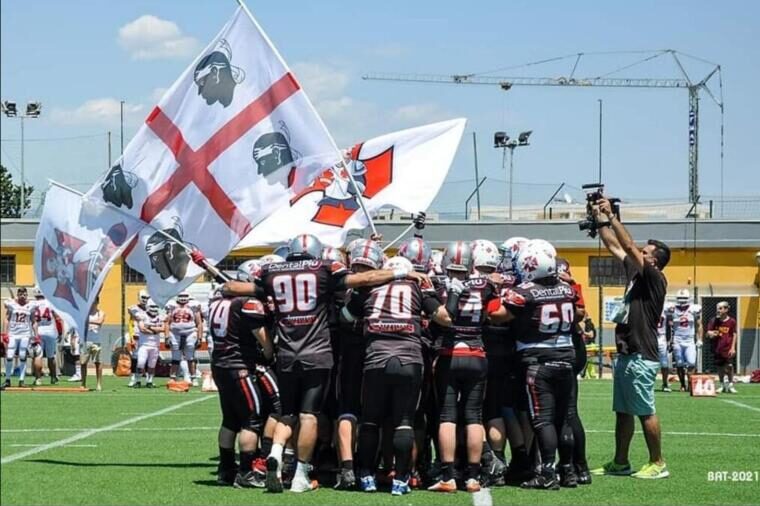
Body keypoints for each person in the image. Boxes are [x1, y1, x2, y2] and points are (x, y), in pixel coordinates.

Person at [210, 233, 430, 494]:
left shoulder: (273, 272)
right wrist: (401, 273)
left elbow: (232, 288)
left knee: (287, 414)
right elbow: (365, 279)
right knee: (310, 415)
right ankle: (301, 475)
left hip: (286, 353)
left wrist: (233, 286)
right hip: (318, 352)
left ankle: (277, 454)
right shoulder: (323, 270)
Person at [344, 254, 451, 496]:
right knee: (404, 421)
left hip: (376, 358)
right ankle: (401, 480)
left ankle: (367, 475)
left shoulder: (371, 288)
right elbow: (444, 317)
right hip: (409, 358)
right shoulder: (417, 287)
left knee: (370, 421)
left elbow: (346, 316)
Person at [590, 196, 671, 480]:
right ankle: (620, 462)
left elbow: (627, 245)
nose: (640, 252)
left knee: (645, 411)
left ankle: (658, 463)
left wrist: (613, 216)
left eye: (645, 252)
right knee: (623, 412)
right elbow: (614, 245)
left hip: (641, 354)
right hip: (627, 353)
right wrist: (599, 218)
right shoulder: (636, 274)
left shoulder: (655, 278)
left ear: (654, 261)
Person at [490, 241, 581, 490]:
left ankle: (547, 473)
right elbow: (578, 312)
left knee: (542, 420)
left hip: (538, 361)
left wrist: (493, 292)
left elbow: (497, 316)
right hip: (566, 358)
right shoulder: (567, 289)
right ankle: (568, 471)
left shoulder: (525, 291)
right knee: (564, 419)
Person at [208, 292, 275, 488]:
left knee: (230, 420)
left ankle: (226, 469)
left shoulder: (216, 301)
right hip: (239, 366)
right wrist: (269, 353)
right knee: (252, 419)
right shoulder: (246, 302)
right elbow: (261, 335)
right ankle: (246, 472)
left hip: (219, 364)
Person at [165, 291, 203, 385]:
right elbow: (167, 323)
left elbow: (199, 323)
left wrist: (200, 338)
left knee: (190, 356)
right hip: (175, 333)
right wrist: (166, 336)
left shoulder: (193, 306)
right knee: (175, 357)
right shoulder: (172, 306)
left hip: (190, 332)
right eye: (181, 296)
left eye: (185, 296)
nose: (183, 298)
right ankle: (173, 377)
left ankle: (193, 378)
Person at [4, 287, 39, 387]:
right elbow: (6, 319)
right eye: (20, 294)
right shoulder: (12, 304)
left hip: (25, 334)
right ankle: (7, 379)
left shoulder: (31, 305)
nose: (22, 296)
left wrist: (36, 335)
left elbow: (34, 321)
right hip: (13, 333)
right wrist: (4, 333)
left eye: (24, 294)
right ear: (17, 295)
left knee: (23, 355)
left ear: (27, 295)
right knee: (9, 355)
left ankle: (21, 380)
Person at [669, 289, 702, 392]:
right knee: (679, 363)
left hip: (689, 339)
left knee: (691, 362)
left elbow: (699, 325)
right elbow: (669, 325)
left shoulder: (694, 309)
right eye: (680, 298)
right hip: (677, 339)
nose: (682, 300)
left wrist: (699, 339)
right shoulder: (672, 309)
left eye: (684, 298)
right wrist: (670, 340)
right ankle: (683, 384)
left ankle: (690, 385)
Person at [32, 287, 63, 385]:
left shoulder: (33, 304)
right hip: (50, 331)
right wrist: (60, 332)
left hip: (38, 331)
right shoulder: (50, 303)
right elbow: (58, 318)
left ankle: (38, 379)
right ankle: (53, 377)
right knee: (51, 356)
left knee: (38, 356)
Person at [706, 301, 738, 394]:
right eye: (717, 308)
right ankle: (722, 384)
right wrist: (711, 333)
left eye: (720, 308)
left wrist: (733, 347)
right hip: (717, 347)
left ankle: (731, 385)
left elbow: (734, 334)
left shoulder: (732, 321)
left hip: (727, 348)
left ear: (726, 309)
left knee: (729, 366)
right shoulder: (713, 320)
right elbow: (708, 333)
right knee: (720, 367)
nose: (718, 310)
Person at [135, 300, 165, 388]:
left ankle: (150, 381)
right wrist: (155, 330)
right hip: (144, 344)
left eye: (156, 307)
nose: (154, 309)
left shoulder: (160, 317)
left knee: (152, 364)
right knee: (141, 363)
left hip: (155, 345)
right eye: (152, 306)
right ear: (148, 307)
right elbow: (142, 329)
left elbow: (163, 328)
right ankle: (138, 380)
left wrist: (150, 327)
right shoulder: (142, 315)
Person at [81, 297, 105, 391]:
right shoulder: (85, 313)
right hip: (85, 340)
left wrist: (87, 321)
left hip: (96, 341)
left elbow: (99, 321)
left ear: (97, 302)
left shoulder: (100, 313)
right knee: (83, 363)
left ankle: (99, 384)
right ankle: (83, 383)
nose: (92, 304)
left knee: (98, 363)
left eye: (94, 302)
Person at [127, 290, 149, 387]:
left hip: (147, 335)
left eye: (147, 298)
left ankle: (148, 378)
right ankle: (133, 377)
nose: (145, 300)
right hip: (136, 335)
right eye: (143, 297)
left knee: (147, 357)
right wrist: (131, 336)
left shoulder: (150, 308)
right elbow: (132, 315)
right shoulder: (133, 308)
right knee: (135, 358)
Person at [656, 306, 673, 392]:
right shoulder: (649, 307)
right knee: (649, 361)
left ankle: (665, 383)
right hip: (651, 336)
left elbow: (669, 327)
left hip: (662, 337)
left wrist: (669, 340)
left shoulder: (665, 310)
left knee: (664, 363)